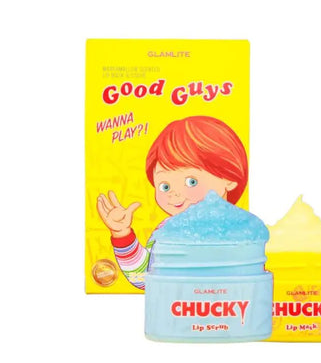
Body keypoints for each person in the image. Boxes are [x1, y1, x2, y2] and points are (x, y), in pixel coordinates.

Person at [96, 116, 248, 290]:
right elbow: (144, 277)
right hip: (174, 303)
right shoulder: (166, 230)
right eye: (165, 186)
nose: (174, 194)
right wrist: (122, 234)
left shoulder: (242, 230)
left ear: (229, 178)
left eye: (191, 181)